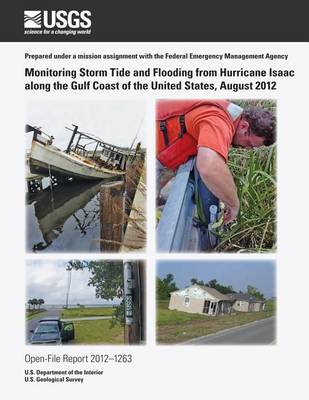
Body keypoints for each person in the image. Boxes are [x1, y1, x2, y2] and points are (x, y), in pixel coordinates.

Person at [156, 100, 276, 224]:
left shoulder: (230, 115)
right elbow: (209, 167)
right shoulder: (219, 121)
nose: (247, 149)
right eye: (249, 144)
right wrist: (234, 204)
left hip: (170, 153)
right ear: (244, 126)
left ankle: (156, 198)